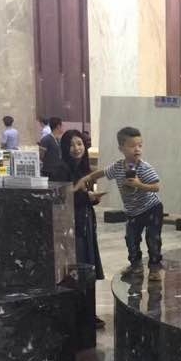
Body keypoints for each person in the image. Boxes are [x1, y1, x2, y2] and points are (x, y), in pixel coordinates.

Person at [75, 127, 163, 283]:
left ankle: (155, 268)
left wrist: (139, 184)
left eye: (140, 145)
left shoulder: (144, 167)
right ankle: (136, 266)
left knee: (153, 239)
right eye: (132, 146)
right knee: (131, 239)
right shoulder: (118, 167)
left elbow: (156, 187)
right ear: (121, 148)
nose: (137, 149)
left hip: (151, 208)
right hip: (132, 212)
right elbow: (102, 173)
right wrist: (87, 178)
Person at [58, 129, 106, 328]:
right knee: (77, 269)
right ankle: (78, 315)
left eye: (79, 144)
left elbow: (84, 198)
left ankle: (88, 314)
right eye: (71, 144)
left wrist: (92, 199)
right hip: (72, 228)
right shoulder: (61, 169)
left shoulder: (84, 169)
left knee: (88, 269)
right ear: (64, 147)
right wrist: (86, 197)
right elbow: (63, 197)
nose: (76, 148)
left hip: (86, 225)